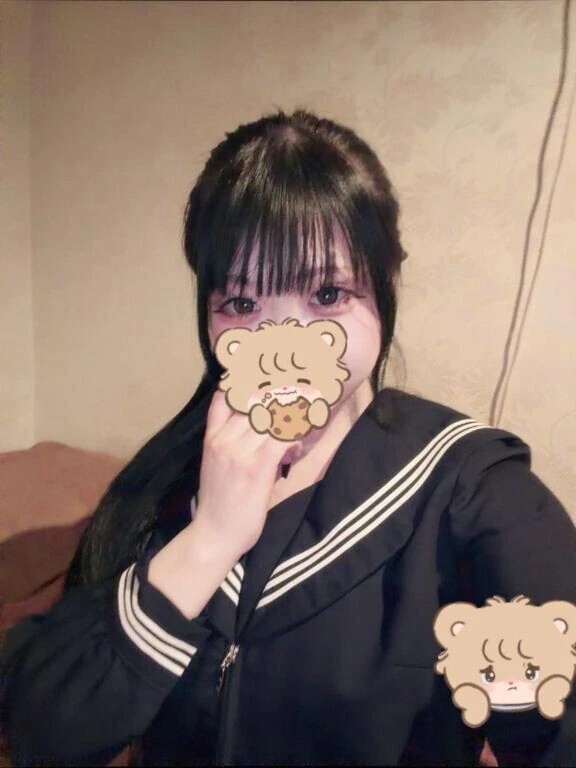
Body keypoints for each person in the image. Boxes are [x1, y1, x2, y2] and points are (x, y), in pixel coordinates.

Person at [1, 108, 575, 767]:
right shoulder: (170, 476)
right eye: (242, 305)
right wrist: (209, 540)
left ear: (387, 280)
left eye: (327, 294)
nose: (285, 347)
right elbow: (44, 735)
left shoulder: (478, 494)